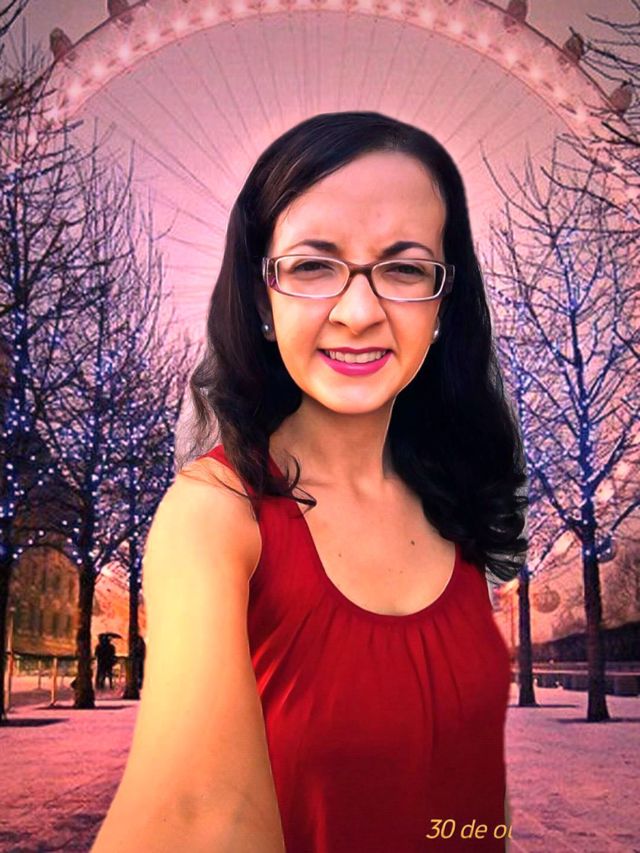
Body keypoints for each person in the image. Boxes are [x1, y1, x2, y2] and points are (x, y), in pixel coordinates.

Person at [91, 111, 527, 852]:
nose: (358, 313)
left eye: (404, 269)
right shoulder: (215, 516)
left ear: (443, 305)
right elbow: (203, 815)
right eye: (313, 266)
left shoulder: (457, 512)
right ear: (262, 297)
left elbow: (477, 801)